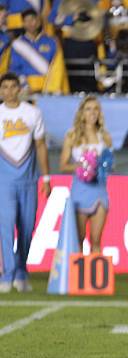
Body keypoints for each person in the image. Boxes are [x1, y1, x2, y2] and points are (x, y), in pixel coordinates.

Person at [0, 72, 50, 293]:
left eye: (12, 87)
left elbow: (40, 146)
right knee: (6, 225)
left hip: (29, 180)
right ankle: (7, 273)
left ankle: (21, 271)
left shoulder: (33, 113)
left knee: (27, 228)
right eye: (4, 88)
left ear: (19, 89)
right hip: (4, 180)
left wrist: (46, 177)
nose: (9, 91)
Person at [59, 95, 112, 253]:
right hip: (80, 191)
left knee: (96, 240)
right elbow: (63, 165)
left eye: (96, 109)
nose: (92, 113)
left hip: (99, 191)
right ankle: (78, 277)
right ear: (82, 113)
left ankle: (97, 277)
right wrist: (82, 168)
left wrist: (102, 166)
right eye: (88, 109)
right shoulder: (72, 136)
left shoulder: (105, 137)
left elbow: (109, 162)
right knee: (79, 239)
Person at [9, 9, 69, 94]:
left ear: (38, 22)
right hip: (24, 89)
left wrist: (52, 87)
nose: (30, 23)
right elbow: (14, 68)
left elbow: (58, 66)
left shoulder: (51, 42)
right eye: (26, 21)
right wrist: (24, 85)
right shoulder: (17, 44)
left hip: (50, 87)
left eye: (32, 19)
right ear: (23, 23)